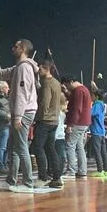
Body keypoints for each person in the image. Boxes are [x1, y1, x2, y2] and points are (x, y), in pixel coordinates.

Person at [0, 39, 39, 190]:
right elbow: (0, 74)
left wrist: (18, 116)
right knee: (14, 147)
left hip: (24, 112)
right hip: (24, 111)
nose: (13, 48)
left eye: (16, 46)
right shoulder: (19, 67)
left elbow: (22, 93)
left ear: (22, 49)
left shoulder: (23, 68)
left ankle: (28, 182)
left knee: (21, 147)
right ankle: (11, 180)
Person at [33, 59, 64, 188]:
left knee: (38, 147)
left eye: (40, 69)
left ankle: (43, 176)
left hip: (45, 120)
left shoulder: (46, 83)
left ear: (46, 68)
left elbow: (44, 103)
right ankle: (57, 176)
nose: (38, 71)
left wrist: (36, 118)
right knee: (50, 149)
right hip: (54, 120)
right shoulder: (56, 82)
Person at [62, 76, 91, 178]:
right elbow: (73, 100)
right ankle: (82, 170)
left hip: (78, 123)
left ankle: (71, 170)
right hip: (84, 122)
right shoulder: (84, 89)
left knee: (70, 145)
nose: (67, 88)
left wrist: (70, 124)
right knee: (79, 147)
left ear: (71, 82)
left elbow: (77, 109)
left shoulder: (79, 91)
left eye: (67, 85)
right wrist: (66, 92)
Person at [89, 89, 107, 177]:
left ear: (96, 96)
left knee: (97, 151)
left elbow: (90, 113)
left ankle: (100, 170)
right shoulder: (102, 104)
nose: (91, 97)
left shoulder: (97, 105)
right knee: (103, 152)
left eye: (92, 95)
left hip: (96, 131)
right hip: (101, 132)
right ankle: (106, 170)